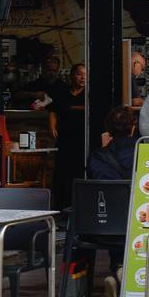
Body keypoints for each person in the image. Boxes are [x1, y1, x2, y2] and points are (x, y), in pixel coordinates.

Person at [86, 105, 136, 297]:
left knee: (112, 213)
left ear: (108, 130)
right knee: (129, 214)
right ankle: (124, 271)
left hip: (98, 227)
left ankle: (117, 271)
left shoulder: (96, 157)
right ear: (132, 128)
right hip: (134, 225)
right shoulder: (142, 154)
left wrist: (104, 147)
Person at [49, 64, 87, 212]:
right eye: (79, 74)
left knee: (77, 171)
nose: (83, 78)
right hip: (64, 137)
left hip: (81, 137)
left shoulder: (89, 94)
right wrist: (52, 127)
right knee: (61, 171)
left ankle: (76, 206)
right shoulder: (63, 92)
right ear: (72, 75)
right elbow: (53, 111)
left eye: (85, 75)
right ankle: (59, 206)